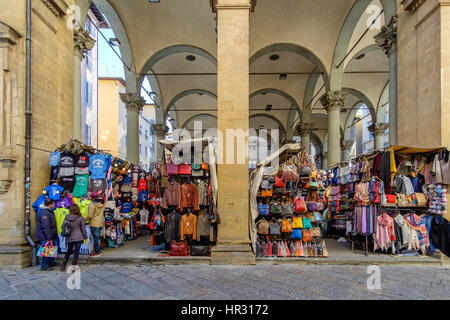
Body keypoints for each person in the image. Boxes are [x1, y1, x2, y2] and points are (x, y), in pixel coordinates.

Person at [61, 205, 88, 272]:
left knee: (68, 251)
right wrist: (85, 237)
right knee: (76, 253)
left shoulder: (67, 217)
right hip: (79, 237)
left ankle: (63, 267)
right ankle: (73, 268)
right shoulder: (81, 218)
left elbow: (63, 226)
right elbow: (83, 229)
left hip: (69, 237)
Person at [36, 198, 58, 271]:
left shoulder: (48, 211)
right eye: (53, 203)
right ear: (50, 204)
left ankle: (51, 262)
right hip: (46, 235)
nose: (54, 205)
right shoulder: (45, 213)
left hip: (51, 234)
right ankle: (44, 265)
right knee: (46, 249)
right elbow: (45, 225)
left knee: (51, 248)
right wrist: (49, 236)